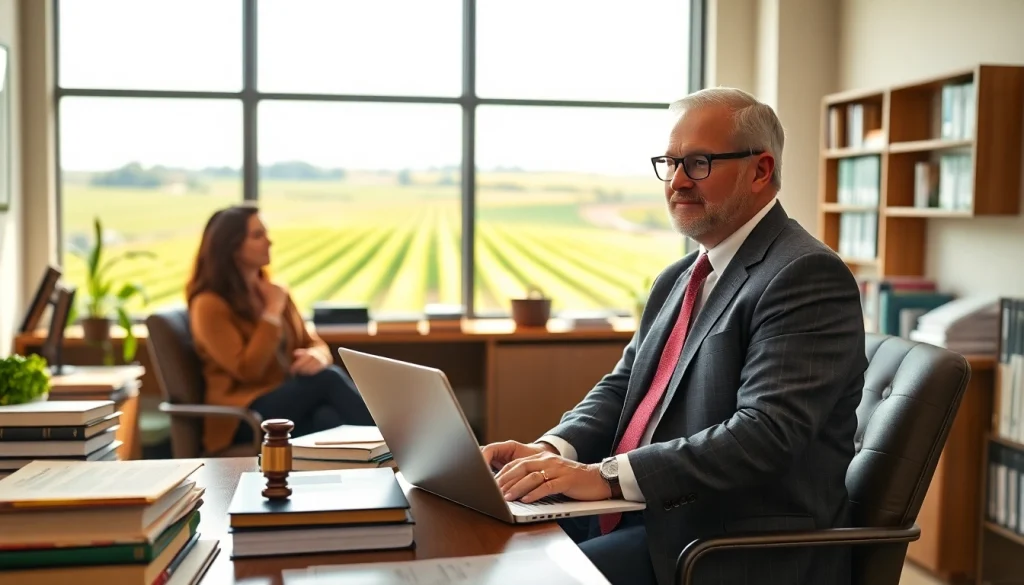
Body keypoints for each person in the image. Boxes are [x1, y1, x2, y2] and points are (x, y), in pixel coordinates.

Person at [482, 87, 867, 585]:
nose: (678, 181)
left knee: (525, 576)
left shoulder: (805, 273)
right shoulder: (681, 276)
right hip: (648, 514)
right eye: (670, 163)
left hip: (727, 544)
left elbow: (764, 435)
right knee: (486, 536)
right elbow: (625, 387)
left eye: (699, 163)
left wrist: (604, 476)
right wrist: (554, 450)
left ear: (760, 170)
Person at [186, 205, 374, 455]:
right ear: (232, 247)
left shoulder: (275, 291)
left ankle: (381, 464)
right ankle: (396, 446)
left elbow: (313, 341)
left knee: (328, 418)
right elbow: (248, 371)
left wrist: (318, 356)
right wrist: (272, 312)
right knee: (328, 379)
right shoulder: (209, 304)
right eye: (258, 235)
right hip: (242, 416)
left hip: (287, 401)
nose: (269, 241)